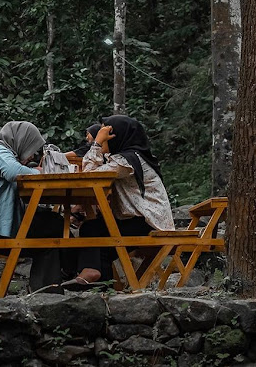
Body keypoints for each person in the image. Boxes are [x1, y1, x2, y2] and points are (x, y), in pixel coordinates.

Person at [62, 115, 174, 290]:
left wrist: (97, 144)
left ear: (116, 137)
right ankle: (102, 290)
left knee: (94, 231)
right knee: (97, 240)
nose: (102, 137)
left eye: (105, 134)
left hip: (148, 222)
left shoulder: (127, 160)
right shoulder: (127, 157)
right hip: (137, 219)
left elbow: (90, 177)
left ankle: (92, 277)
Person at [0, 120, 64, 292]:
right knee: (52, 226)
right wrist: (39, 172)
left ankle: (47, 290)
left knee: (52, 224)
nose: (32, 156)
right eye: (31, 150)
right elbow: (13, 172)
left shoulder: (2, 153)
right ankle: (49, 291)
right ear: (21, 141)